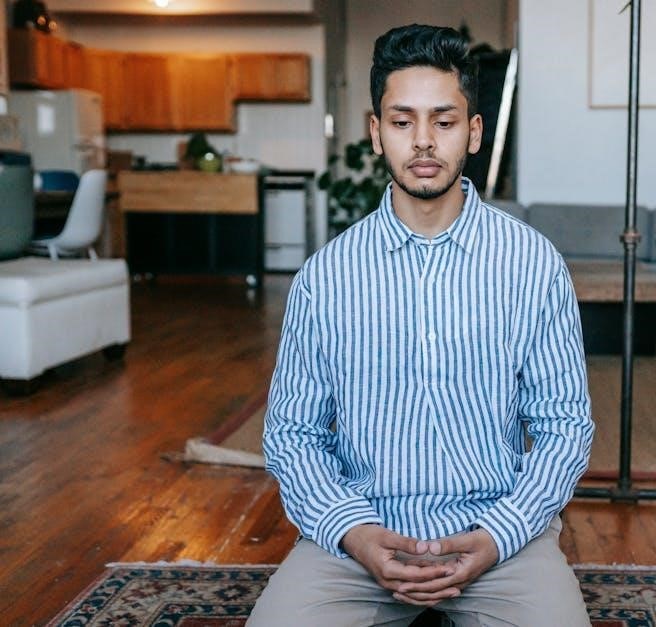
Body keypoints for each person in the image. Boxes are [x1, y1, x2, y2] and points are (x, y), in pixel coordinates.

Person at [249, 23, 594, 627]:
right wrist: (355, 535)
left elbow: (564, 424)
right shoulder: (326, 277)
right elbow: (293, 434)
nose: (424, 141)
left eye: (444, 120)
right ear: (376, 133)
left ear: (474, 132)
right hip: (359, 536)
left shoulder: (533, 265)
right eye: (403, 121)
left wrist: (501, 534)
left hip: (498, 534)